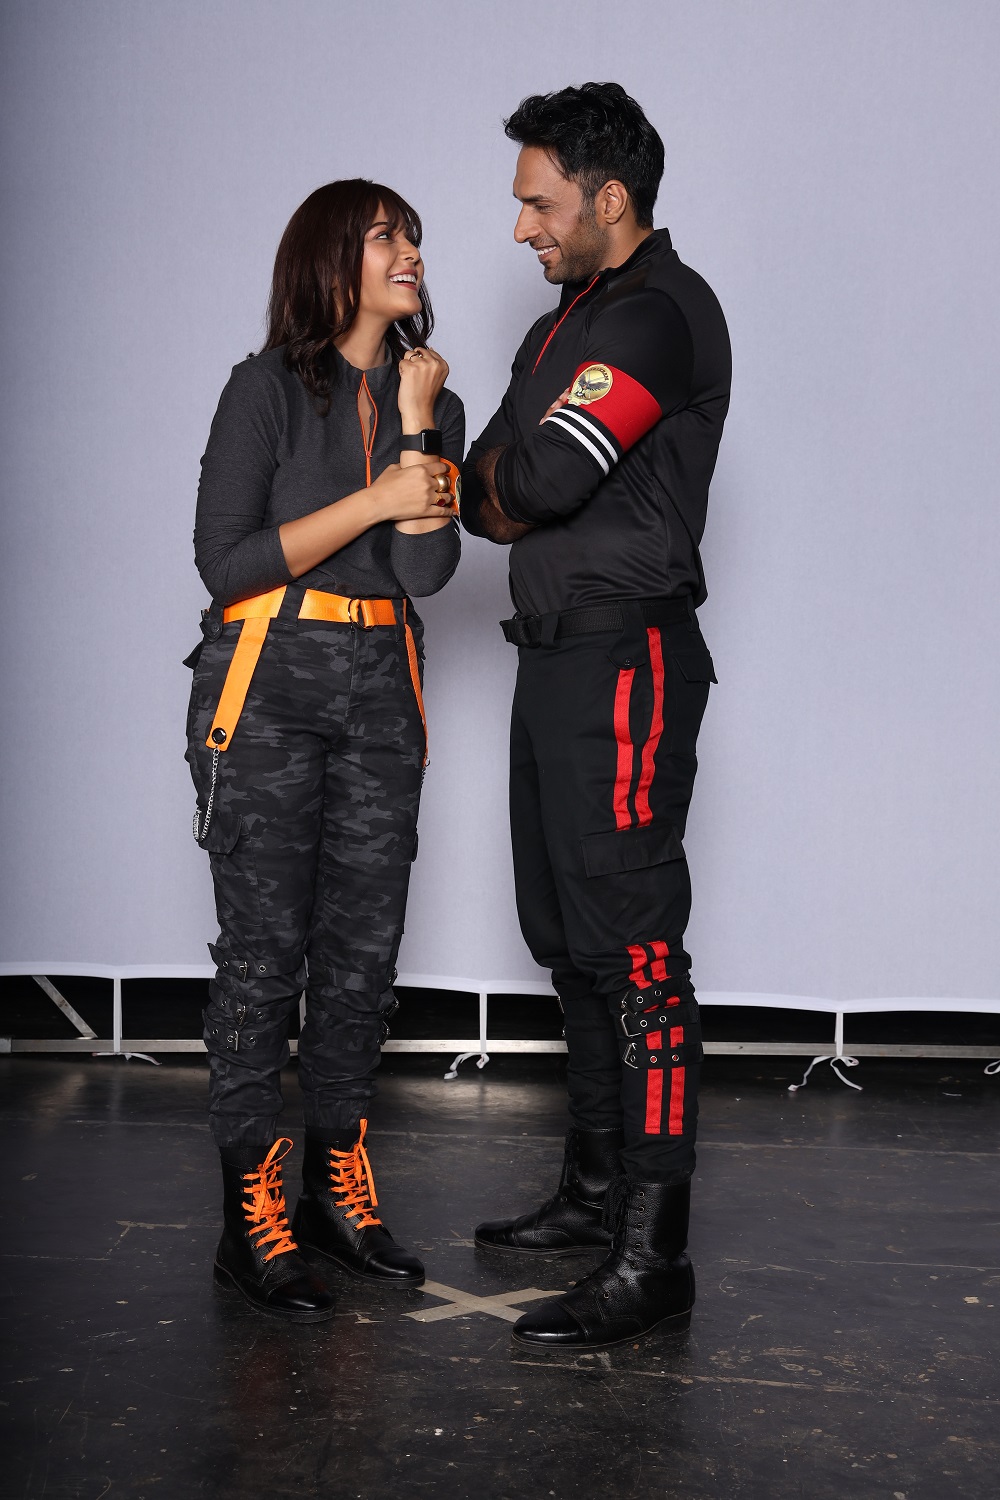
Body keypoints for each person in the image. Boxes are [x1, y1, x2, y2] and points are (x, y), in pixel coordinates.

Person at [460, 84, 731, 1349]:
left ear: (608, 198)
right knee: (568, 941)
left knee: (634, 953)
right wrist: (506, 483)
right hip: (553, 657)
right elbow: (483, 494)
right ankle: (591, 1194)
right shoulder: (560, 325)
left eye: (539, 202)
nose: (521, 226)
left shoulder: (660, 314)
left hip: (627, 655)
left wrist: (510, 483)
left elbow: (548, 475)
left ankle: (652, 1253)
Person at [186, 179, 463, 1322]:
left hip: (383, 683)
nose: (410, 251)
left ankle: (336, 1189)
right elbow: (226, 564)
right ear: (328, 259)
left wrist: (416, 425)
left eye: (413, 236)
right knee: (263, 957)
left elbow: (427, 571)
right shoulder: (261, 390)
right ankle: (252, 1215)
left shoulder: (429, 396)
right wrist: (377, 497)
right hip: (268, 680)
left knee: (361, 957)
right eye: (385, 235)